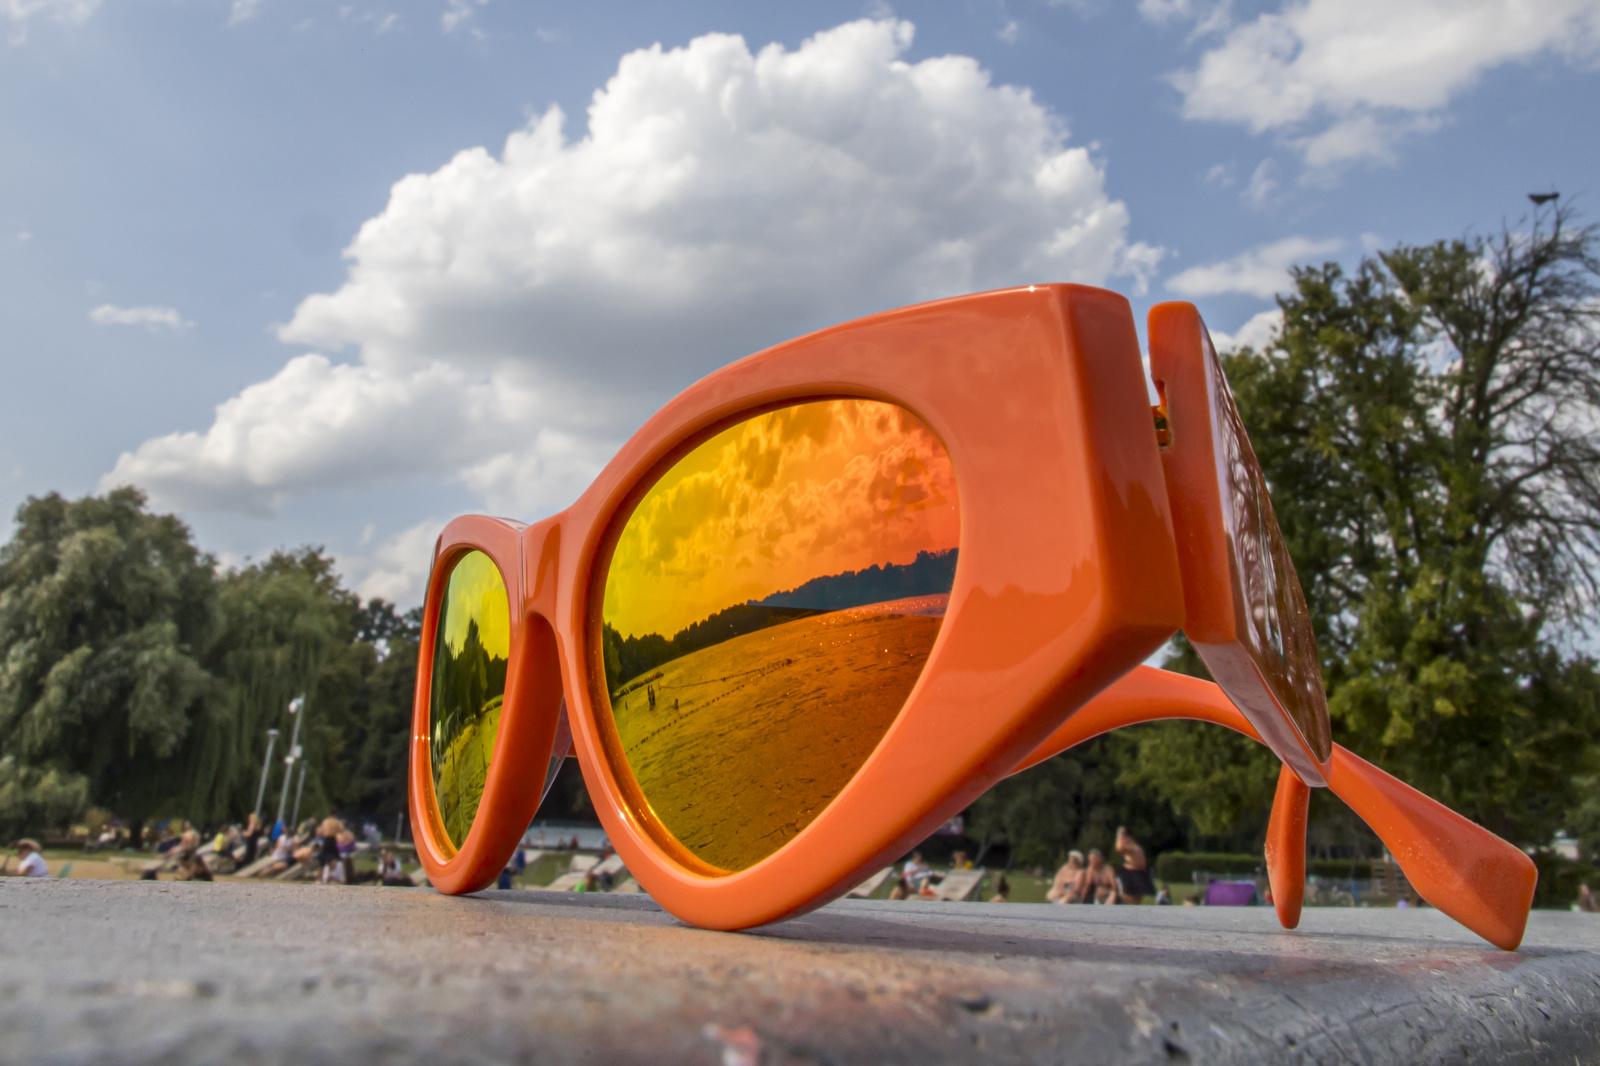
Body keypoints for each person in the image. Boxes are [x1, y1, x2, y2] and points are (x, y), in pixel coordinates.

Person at [1113, 826, 1155, 904]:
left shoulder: (1133, 848)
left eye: (1123, 838)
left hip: (1135, 875)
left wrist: (1119, 835)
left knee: (1132, 900)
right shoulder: (1135, 848)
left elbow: (1119, 848)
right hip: (1133, 875)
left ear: (1128, 838)